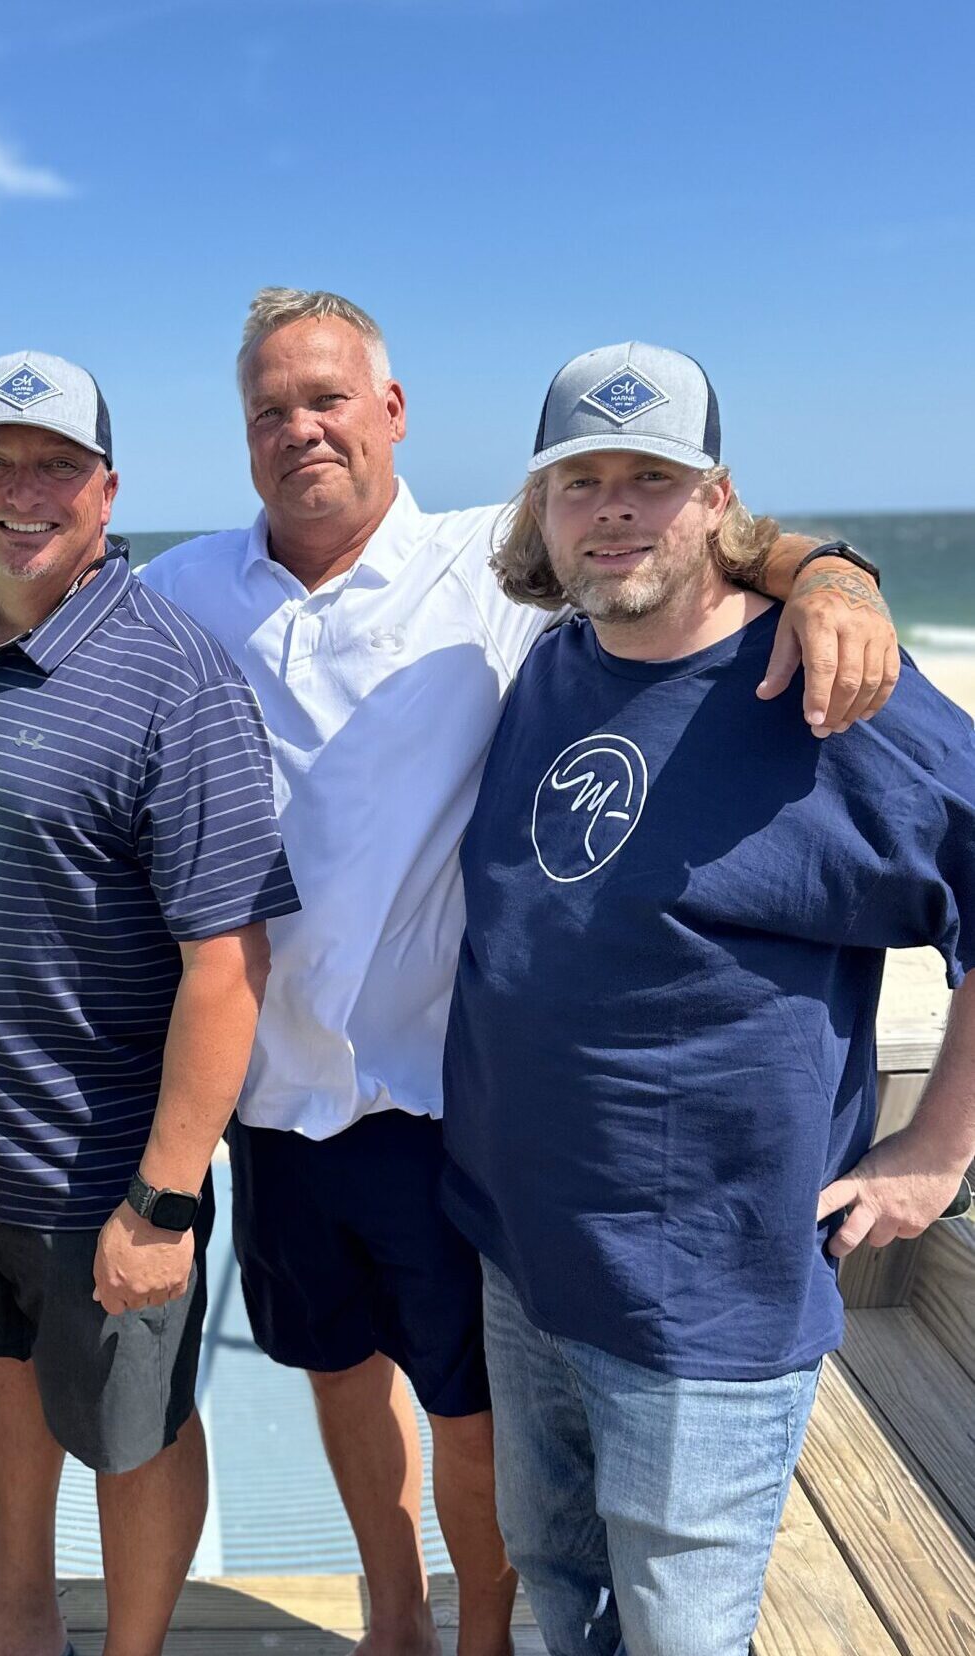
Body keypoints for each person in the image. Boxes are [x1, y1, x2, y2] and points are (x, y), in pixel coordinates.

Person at [0, 295, 900, 1656]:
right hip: (271, 1097)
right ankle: (395, 1621)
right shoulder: (191, 589)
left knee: (472, 1410)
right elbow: (42, 577)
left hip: (447, 1092)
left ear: (392, 411)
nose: (300, 429)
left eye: (327, 399)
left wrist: (828, 571)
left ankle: (479, 1632)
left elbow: (665, 545)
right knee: (334, 1370)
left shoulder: (489, 570)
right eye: (269, 409)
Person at [439, 341, 975, 1656]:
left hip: (702, 1298)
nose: (614, 510)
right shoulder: (554, 663)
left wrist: (937, 1151)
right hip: (524, 1255)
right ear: (542, 508)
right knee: (557, 1581)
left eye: (654, 480)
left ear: (719, 500)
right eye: (582, 482)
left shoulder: (831, 695)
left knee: (681, 1630)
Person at [0, 351, 298, 1656]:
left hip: (101, 1174)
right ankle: (18, 1621)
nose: (24, 491)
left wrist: (164, 1202)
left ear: (108, 490)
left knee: (135, 1435)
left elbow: (229, 964)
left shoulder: (175, 678)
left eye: (56, 466)